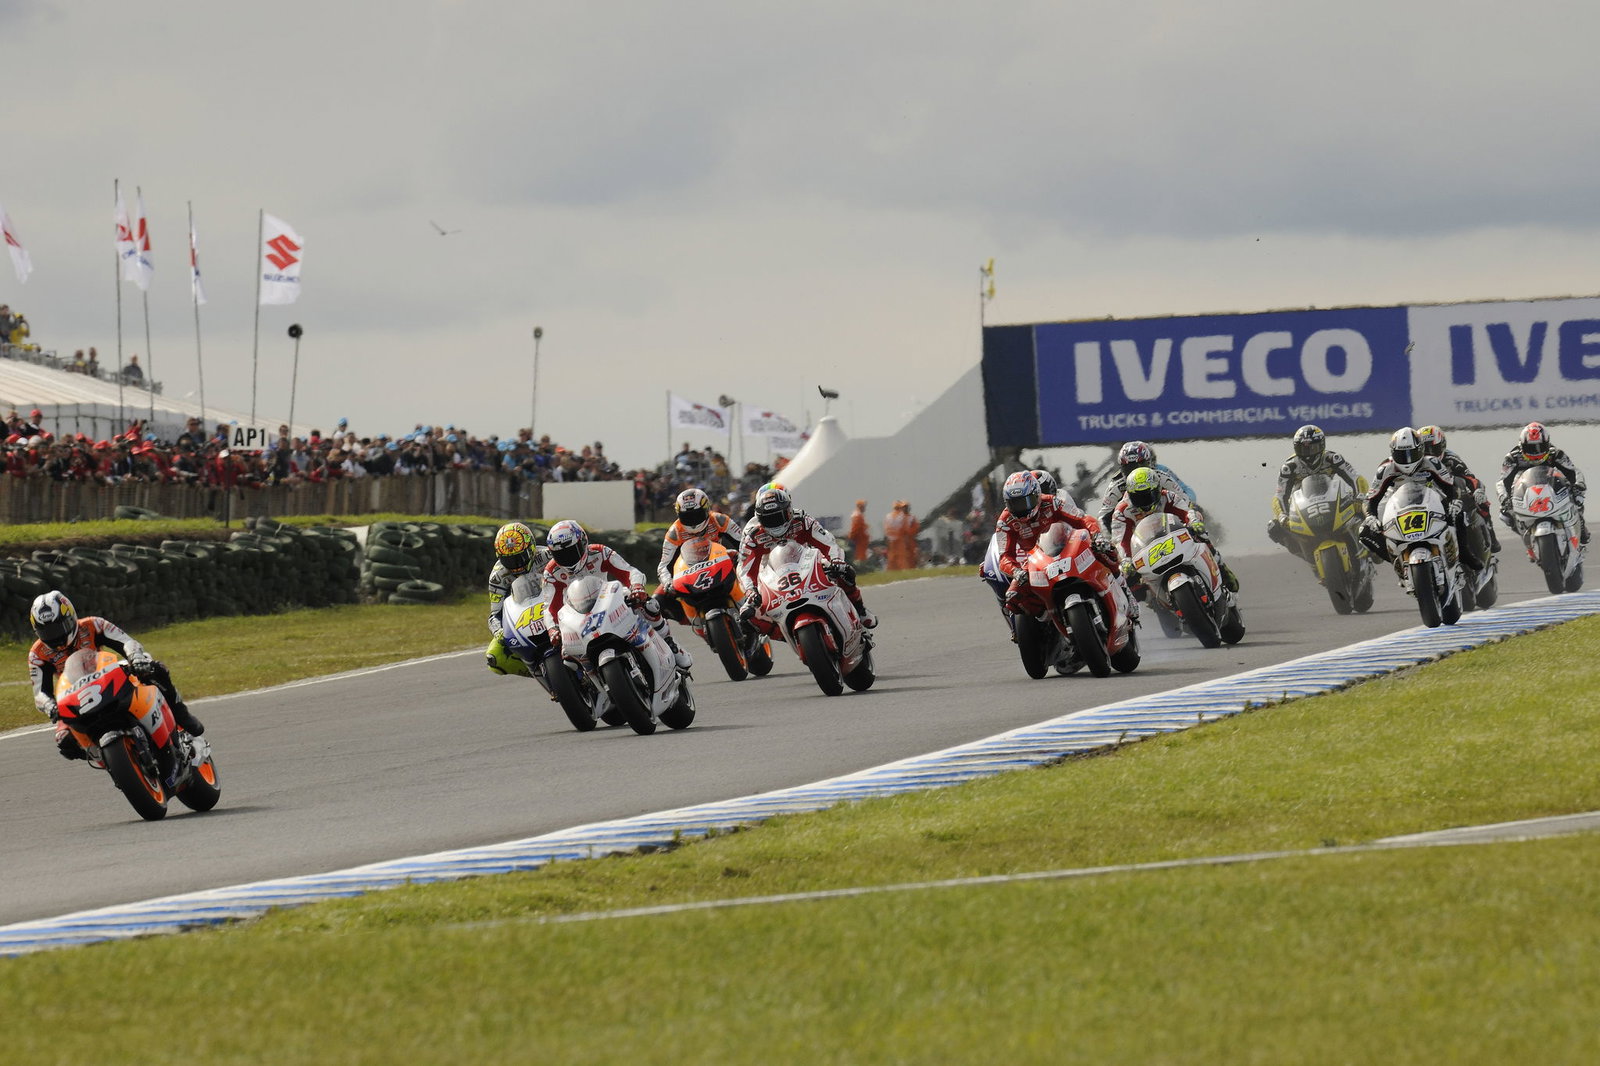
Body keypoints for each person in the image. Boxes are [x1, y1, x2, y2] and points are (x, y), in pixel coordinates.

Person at [27, 590, 204, 763]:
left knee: (154, 669)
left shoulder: (93, 625)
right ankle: (111, 760)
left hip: (107, 673)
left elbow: (126, 641)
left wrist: (135, 658)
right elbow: (40, 693)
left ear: (70, 618)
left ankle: (181, 715)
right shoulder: (37, 654)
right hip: (74, 694)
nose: (55, 637)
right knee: (64, 740)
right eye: (47, 632)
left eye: (59, 628)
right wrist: (50, 706)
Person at [543, 520, 693, 670]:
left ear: (582, 542)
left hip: (605, 599)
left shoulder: (599, 552)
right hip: (576, 615)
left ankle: (669, 642)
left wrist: (637, 587)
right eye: (560, 555)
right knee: (567, 656)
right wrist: (553, 629)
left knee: (648, 605)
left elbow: (630, 571)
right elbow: (550, 608)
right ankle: (587, 688)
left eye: (571, 551)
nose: (567, 558)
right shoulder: (551, 572)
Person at [736, 484, 877, 631]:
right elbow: (744, 568)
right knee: (748, 616)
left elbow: (828, 542)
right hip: (770, 575)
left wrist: (836, 561)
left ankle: (860, 610)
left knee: (843, 572)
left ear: (789, 509)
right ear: (758, 517)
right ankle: (785, 634)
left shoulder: (802, 518)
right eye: (768, 519)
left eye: (779, 516)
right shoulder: (751, 534)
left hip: (804, 562)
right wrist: (751, 591)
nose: (775, 523)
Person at [992, 470, 1121, 626]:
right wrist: (1017, 572)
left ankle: (1125, 592)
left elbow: (1083, 519)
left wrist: (1097, 536)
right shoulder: (1004, 522)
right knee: (1013, 597)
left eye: (1026, 501)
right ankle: (1040, 624)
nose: (1021, 509)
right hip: (1034, 560)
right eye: (1015, 504)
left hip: (1064, 545)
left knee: (1107, 551)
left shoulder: (1052, 502)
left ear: (1036, 494)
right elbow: (1004, 557)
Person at [1361, 427, 1478, 567]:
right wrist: (1370, 516)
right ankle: (1397, 560)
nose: (1407, 460)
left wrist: (1454, 501)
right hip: (1398, 504)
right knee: (1364, 532)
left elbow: (1450, 486)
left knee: (1458, 514)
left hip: (1431, 499)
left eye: (1412, 453)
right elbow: (1372, 498)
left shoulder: (1432, 463)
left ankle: (1464, 554)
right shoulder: (1385, 469)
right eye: (1401, 454)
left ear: (1421, 449)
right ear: (1393, 452)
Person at [1112, 467, 1240, 592]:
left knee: (1200, 534)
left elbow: (1187, 512)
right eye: (1138, 498)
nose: (1144, 502)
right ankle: (1151, 601)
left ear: (1157, 490)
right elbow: (1120, 541)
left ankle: (1221, 568)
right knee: (1127, 577)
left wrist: (1194, 521)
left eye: (1148, 496)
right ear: (1129, 494)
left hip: (1172, 535)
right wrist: (1125, 559)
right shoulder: (1122, 511)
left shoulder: (1168, 497)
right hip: (1145, 548)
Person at [1267, 424, 1367, 560]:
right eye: (1302, 449)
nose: (1307, 453)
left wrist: (1359, 498)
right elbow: (1279, 495)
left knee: (1366, 507)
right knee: (1274, 527)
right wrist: (1282, 516)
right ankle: (1306, 555)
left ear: (1321, 446)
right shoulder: (1289, 467)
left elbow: (1356, 478)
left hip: (1331, 497)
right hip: (1302, 505)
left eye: (1312, 448)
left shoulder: (1333, 458)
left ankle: (1369, 544)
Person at [653, 487, 743, 629]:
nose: (692, 521)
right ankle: (693, 622)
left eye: (697, 515)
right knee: (656, 602)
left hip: (718, 562)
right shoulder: (674, 533)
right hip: (688, 571)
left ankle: (750, 608)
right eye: (687, 517)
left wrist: (742, 559)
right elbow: (663, 566)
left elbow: (744, 544)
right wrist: (668, 582)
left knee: (741, 561)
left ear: (707, 509)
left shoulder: (719, 520)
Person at [1496, 421, 1588, 545]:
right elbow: (1502, 482)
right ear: (1522, 445)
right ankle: (1528, 539)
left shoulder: (1555, 453)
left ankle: (1580, 524)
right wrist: (1504, 500)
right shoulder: (1512, 458)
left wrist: (1578, 486)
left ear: (1547, 443)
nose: (1536, 452)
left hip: (1552, 490)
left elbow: (1573, 471)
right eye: (1531, 448)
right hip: (1524, 494)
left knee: (1577, 500)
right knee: (1505, 515)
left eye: (1540, 447)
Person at [1416, 424, 1501, 555]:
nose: (1430, 455)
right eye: (1425, 451)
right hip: (1428, 503)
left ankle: (1491, 533)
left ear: (1443, 446)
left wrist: (1477, 490)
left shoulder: (1451, 459)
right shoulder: (1415, 464)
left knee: (1481, 501)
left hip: (1455, 497)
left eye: (1433, 449)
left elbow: (1469, 478)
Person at [483, 522, 549, 678]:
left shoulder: (547, 556)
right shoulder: (498, 577)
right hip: (525, 618)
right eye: (510, 560)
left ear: (531, 548)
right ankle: (539, 671)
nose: (517, 565)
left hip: (554, 604)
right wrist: (499, 631)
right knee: (495, 657)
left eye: (520, 557)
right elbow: (495, 614)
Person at [1096, 441, 1199, 529]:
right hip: (1136, 531)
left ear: (1149, 463)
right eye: (1129, 467)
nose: (1137, 473)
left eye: (1140, 465)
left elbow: (1185, 500)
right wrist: (1111, 543)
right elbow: (1103, 517)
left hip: (1166, 521)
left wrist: (1190, 522)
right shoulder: (1116, 486)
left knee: (1197, 514)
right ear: (1122, 468)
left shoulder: (1161, 476)